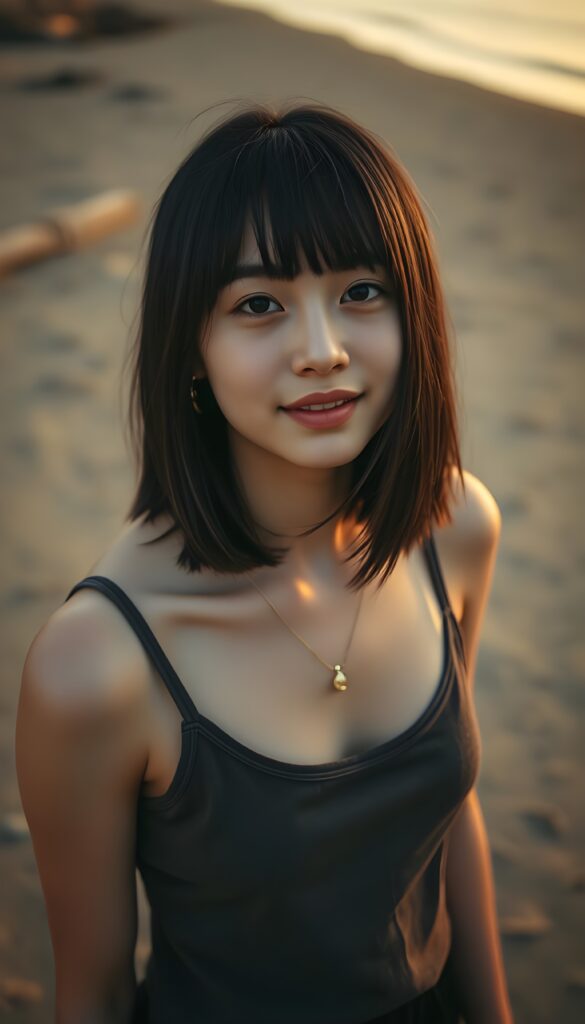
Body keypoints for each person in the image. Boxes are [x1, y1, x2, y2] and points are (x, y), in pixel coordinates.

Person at [15, 101, 514, 1024]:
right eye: (258, 305)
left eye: (362, 291)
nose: (321, 351)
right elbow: (91, 991)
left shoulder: (454, 530)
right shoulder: (98, 665)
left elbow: (449, 820)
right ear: (191, 349)